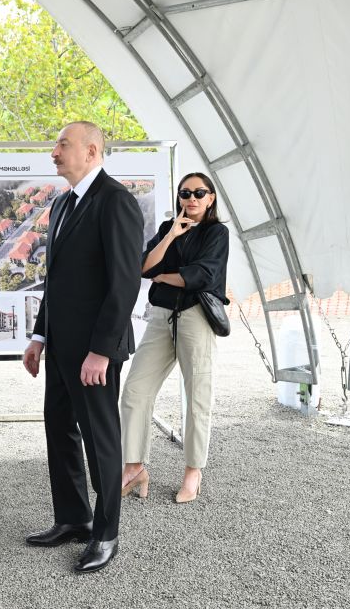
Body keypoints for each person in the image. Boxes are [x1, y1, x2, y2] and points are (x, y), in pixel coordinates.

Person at [23, 121, 144, 574]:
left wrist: (102, 351)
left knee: (100, 439)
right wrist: (39, 336)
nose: (54, 152)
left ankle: (106, 533)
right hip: (60, 346)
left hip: (95, 351)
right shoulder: (61, 204)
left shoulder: (116, 201)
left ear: (91, 151)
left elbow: (124, 282)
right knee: (59, 427)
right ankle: (74, 518)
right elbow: (55, 281)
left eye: (63, 144)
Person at [119, 172, 229, 504]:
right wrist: (171, 236)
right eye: (185, 193)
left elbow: (203, 275)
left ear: (210, 198)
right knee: (135, 390)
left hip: (196, 317)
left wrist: (165, 276)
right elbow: (144, 267)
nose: (192, 198)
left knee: (197, 397)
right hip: (160, 318)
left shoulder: (217, 233)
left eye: (199, 193)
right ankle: (134, 467)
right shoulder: (169, 227)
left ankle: (193, 471)